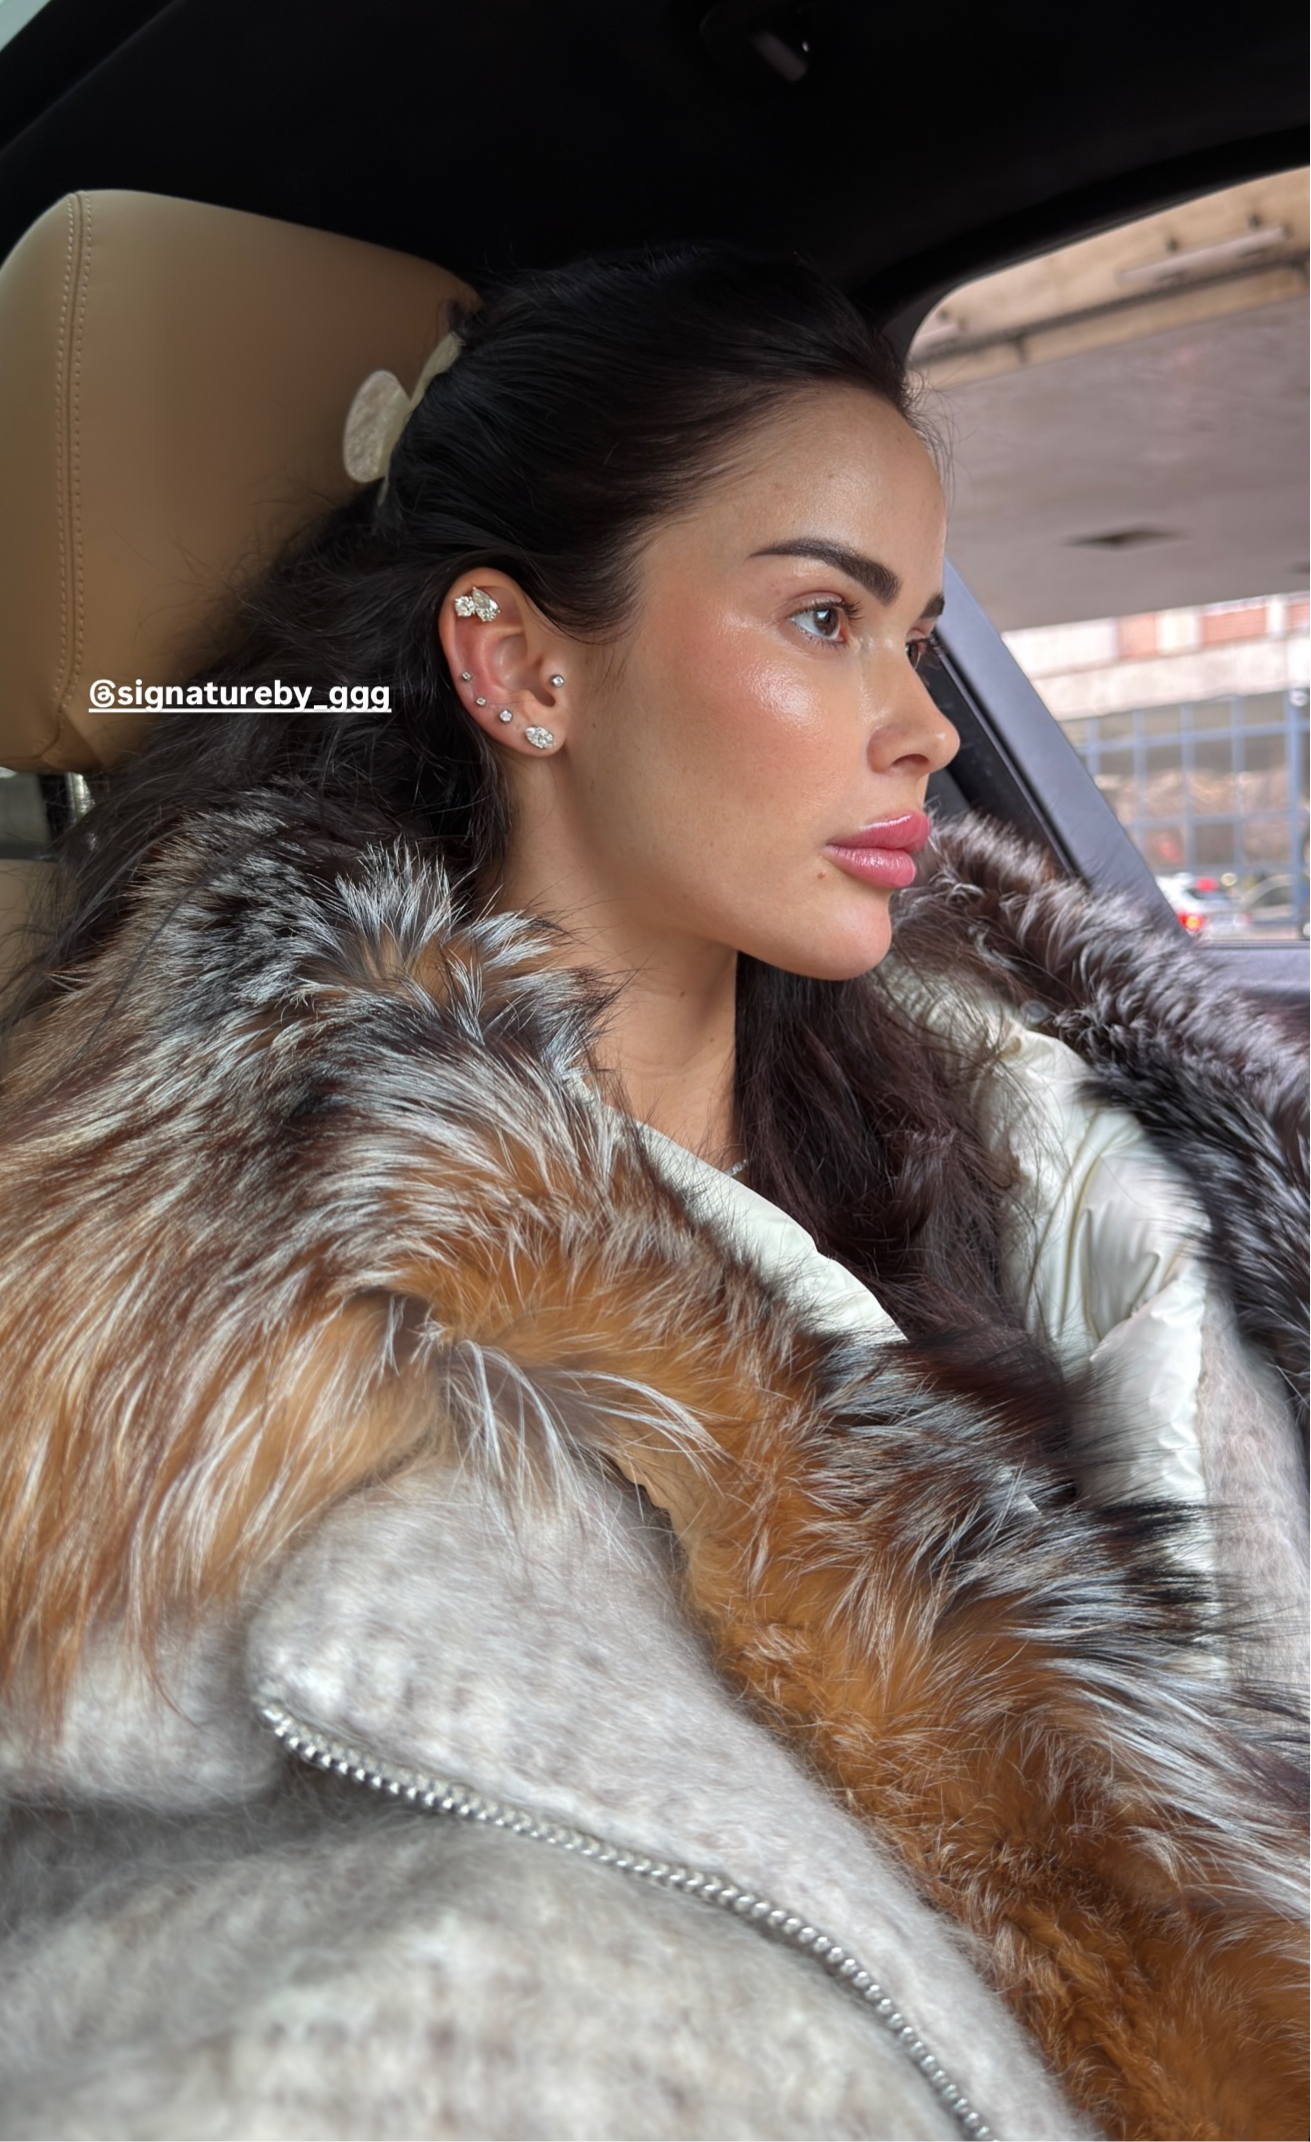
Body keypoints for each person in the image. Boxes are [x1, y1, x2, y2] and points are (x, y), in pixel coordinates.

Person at [0, 246, 1307, 2142]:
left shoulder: (1028, 1120)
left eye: (915, 633)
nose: (926, 726)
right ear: (521, 667)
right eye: (821, 617)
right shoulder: (254, 1316)